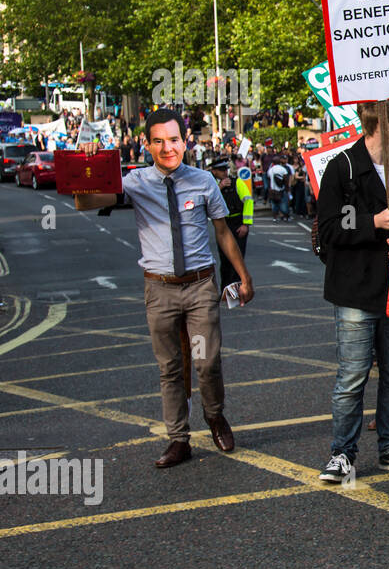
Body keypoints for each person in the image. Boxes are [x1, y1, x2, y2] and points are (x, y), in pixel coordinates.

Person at [74, 108, 253, 468]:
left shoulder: (204, 181)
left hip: (200, 287)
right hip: (160, 291)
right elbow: (85, 201)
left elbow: (222, 232)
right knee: (169, 367)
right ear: (147, 144)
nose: (167, 148)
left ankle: (215, 416)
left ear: (184, 142)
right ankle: (178, 439)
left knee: (206, 362)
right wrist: (87, 162)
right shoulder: (135, 182)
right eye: (158, 141)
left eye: (173, 140)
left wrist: (242, 277)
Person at [316, 97, 389, 483]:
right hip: (356, 290)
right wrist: (374, 222)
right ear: (381, 122)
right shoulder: (343, 168)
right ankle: (342, 454)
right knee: (352, 377)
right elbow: (329, 228)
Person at [208, 156, 252, 293]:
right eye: (221, 171)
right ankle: (226, 290)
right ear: (214, 171)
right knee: (225, 260)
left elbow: (248, 201)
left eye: (226, 170)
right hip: (223, 224)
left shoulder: (237, 182)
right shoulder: (211, 185)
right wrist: (219, 187)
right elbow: (207, 202)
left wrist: (246, 224)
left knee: (238, 260)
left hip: (237, 223)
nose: (225, 173)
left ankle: (238, 289)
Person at [267, 155, 293, 221]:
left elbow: (269, 179)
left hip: (273, 190)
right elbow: (286, 179)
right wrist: (287, 188)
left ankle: (274, 217)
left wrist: (270, 188)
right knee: (284, 203)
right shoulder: (283, 169)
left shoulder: (271, 170)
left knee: (274, 204)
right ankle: (286, 216)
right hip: (282, 189)